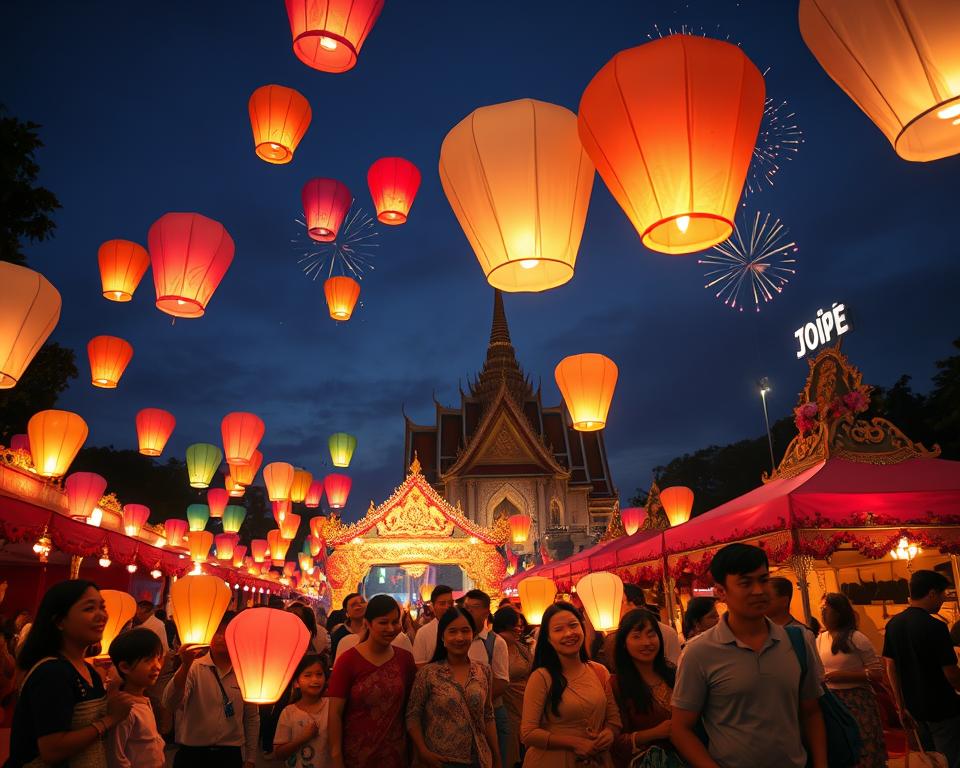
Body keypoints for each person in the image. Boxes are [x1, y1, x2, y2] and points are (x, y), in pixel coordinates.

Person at [671, 542, 827, 768]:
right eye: (745, 583)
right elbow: (680, 728)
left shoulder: (798, 641)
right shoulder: (698, 653)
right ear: (721, 592)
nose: (759, 590)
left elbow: (811, 712)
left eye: (763, 580)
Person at [7, 580, 136, 768]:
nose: (102, 615)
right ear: (60, 621)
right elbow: (52, 750)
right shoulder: (52, 672)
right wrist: (110, 719)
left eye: (102, 607)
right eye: (89, 608)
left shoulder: (89, 671)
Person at [520, 602, 621, 767]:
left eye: (573, 625)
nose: (568, 633)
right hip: (552, 761)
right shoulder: (541, 677)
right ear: (548, 639)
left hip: (596, 760)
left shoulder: (599, 671)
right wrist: (575, 743)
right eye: (558, 629)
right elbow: (528, 733)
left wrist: (609, 733)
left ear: (582, 628)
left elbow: (614, 720)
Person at [327, 594, 416, 768]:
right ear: (367, 623)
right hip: (356, 755)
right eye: (383, 622)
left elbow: (411, 709)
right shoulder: (348, 661)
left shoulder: (405, 659)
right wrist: (336, 756)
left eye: (395, 622)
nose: (391, 628)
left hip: (395, 755)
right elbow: (335, 713)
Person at [162, 610, 260, 768]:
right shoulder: (194, 667)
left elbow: (252, 717)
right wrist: (185, 665)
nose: (221, 637)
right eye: (217, 632)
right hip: (193, 753)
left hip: (229, 754)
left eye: (227, 632)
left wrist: (250, 758)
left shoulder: (246, 672)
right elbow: (170, 702)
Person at [882, 569, 960, 767]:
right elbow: (951, 674)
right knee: (948, 760)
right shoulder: (936, 627)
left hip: (913, 708)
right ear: (932, 593)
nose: (943, 599)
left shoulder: (893, 625)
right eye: (942, 594)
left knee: (927, 761)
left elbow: (891, 666)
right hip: (942, 707)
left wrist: (900, 704)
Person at [406, 606, 501, 768]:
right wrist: (423, 751)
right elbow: (412, 715)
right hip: (439, 760)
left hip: (478, 760)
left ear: (473, 634)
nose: (459, 637)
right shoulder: (428, 673)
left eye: (465, 631)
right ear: (442, 637)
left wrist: (497, 757)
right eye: (452, 631)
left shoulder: (483, 671)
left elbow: (488, 715)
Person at [816, 593, 887, 768]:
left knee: (863, 746)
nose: (823, 613)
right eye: (822, 609)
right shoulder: (821, 639)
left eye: (827, 609)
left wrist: (845, 676)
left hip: (856, 700)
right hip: (832, 700)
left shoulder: (855, 638)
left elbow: (877, 673)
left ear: (839, 612)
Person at [609, 608, 679, 768]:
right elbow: (616, 742)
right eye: (636, 636)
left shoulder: (673, 673)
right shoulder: (617, 685)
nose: (646, 642)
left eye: (651, 634)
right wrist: (654, 733)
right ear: (624, 643)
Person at [463, 589, 511, 763]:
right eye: (466, 607)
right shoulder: (459, 640)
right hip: (462, 716)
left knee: (494, 760)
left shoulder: (495, 642)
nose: (469, 611)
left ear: (486, 612)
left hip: (491, 713)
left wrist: (476, 701)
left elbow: (502, 682)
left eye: (474, 607)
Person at [107, 628, 166, 768]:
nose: (157, 666)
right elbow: (116, 757)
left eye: (157, 658)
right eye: (148, 660)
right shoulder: (124, 708)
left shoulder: (143, 700)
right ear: (125, 667)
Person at [602, 584, 680, 671]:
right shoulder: (615, 635)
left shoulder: (666, 632)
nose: (646, 642)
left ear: (632, 603)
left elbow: (676, 667)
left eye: (621, 602)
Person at [272, 654, 330, 768]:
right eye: (308, 675)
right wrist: (302, 738)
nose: (315, 679)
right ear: (296, 682)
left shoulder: (331, 706)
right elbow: (279, 754)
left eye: (319, 674)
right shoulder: (288, 712)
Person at [493, 605, 532, 768]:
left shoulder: (520, 647)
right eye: (516, 626)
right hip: (506, 705)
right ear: (506, 626)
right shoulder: (494, 646)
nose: (519, 630)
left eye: (521, 626)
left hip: (525, 702)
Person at [413, 585, 455, 666]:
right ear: (432, 606)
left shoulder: (460, 629)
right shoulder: (423, 633)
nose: (447, 607)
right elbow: (419, 665)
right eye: (442, 603)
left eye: (450, 603)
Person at [329, 593, 367, 659]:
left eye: (362, 602)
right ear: (346, 612)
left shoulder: (374, 630)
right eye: (354, 604)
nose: (359, 605)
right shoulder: (339, 634)